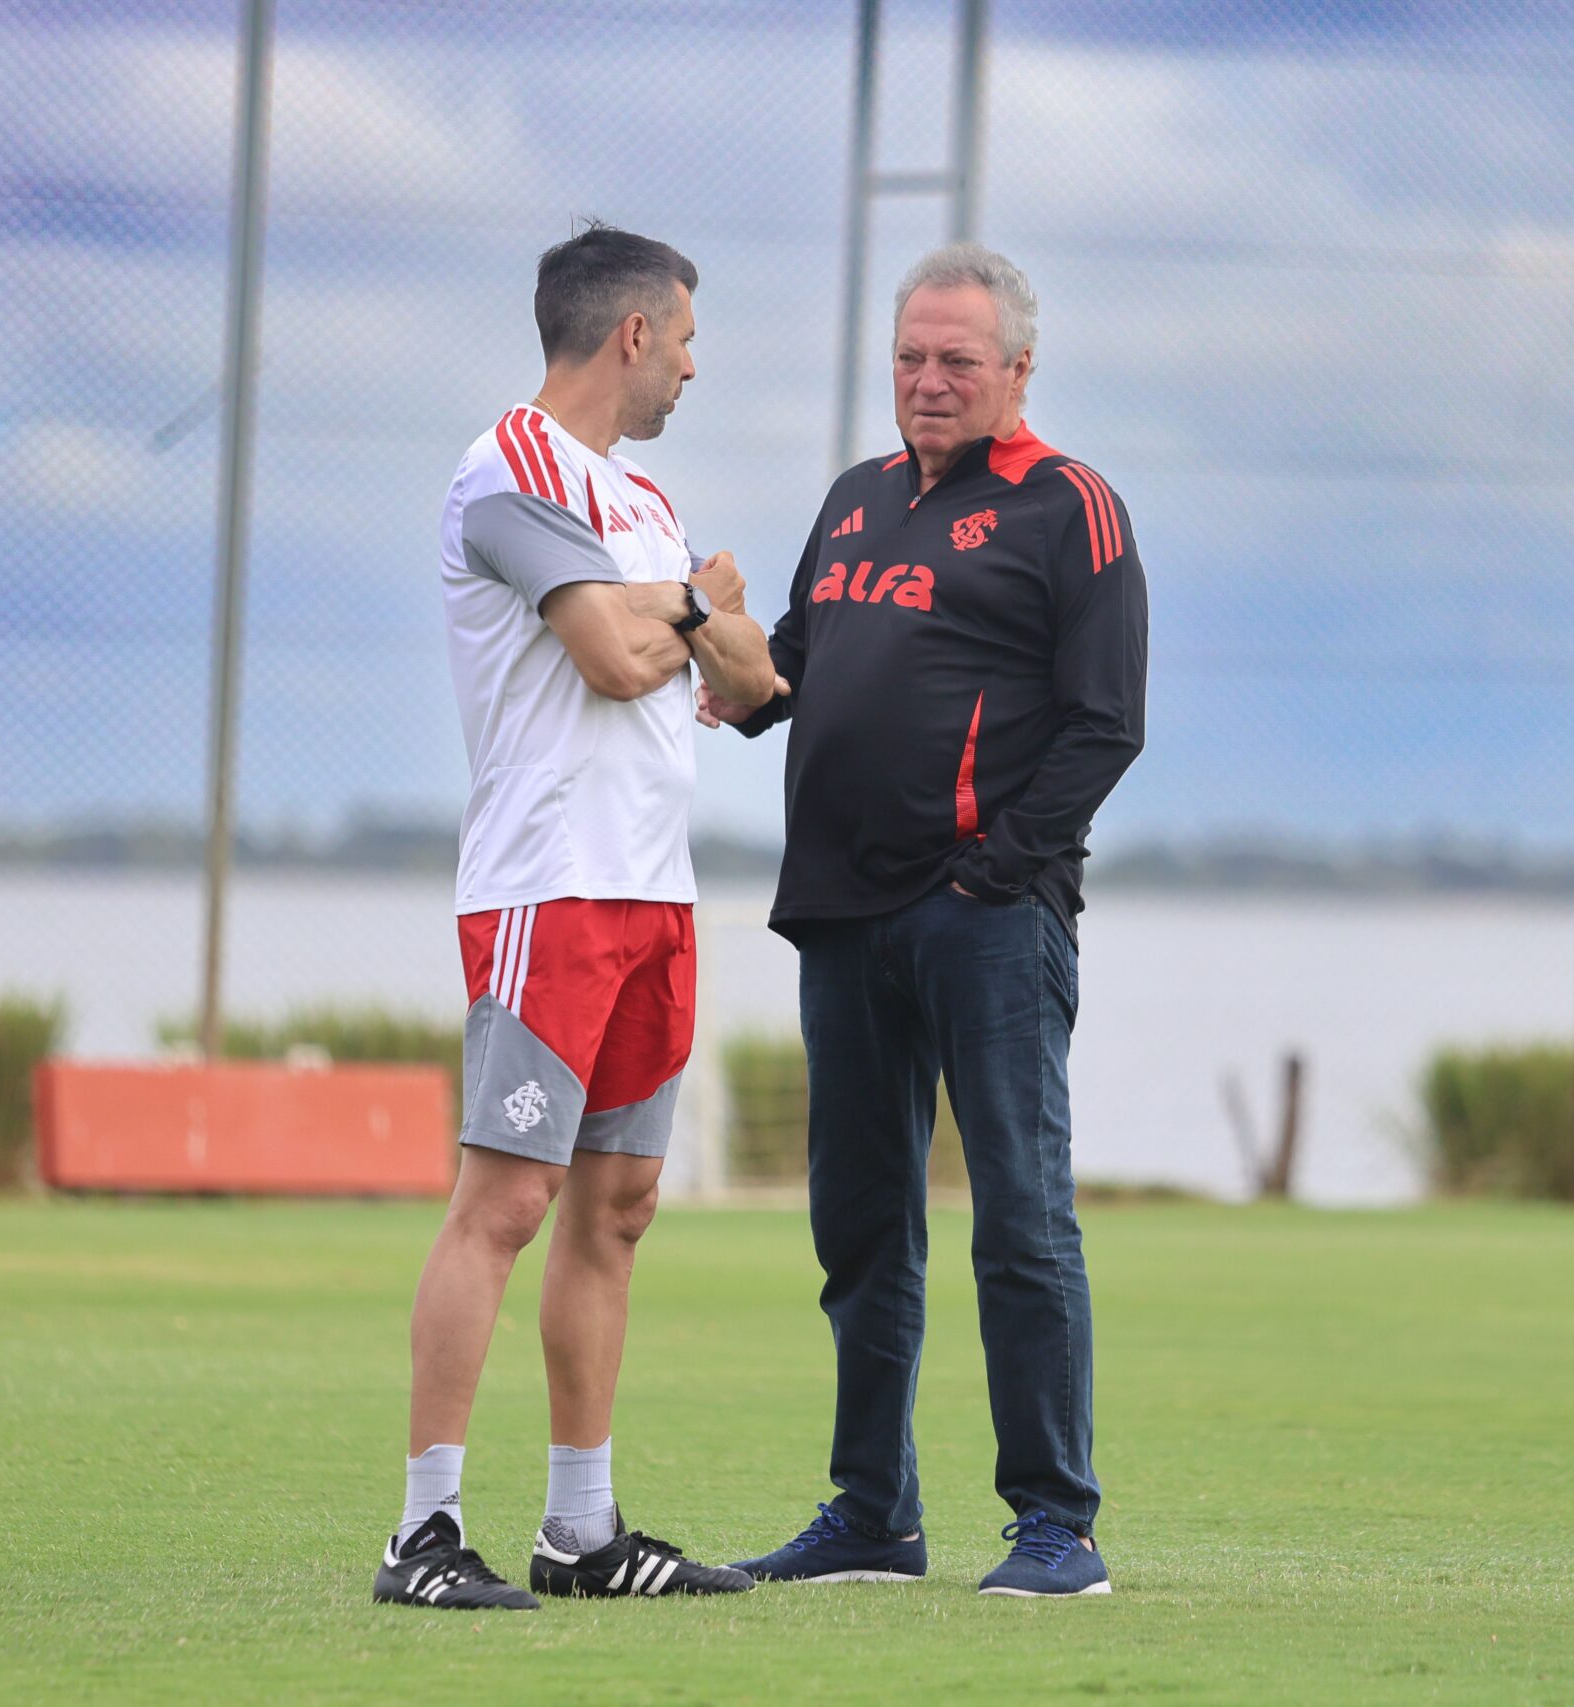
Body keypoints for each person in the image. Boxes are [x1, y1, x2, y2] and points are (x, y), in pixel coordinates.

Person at [709, 243, 1149, 1598]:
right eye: (911, 356)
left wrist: (994, 871)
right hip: (838, 918)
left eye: (959, 359)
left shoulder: (1073, 508)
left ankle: (1056, 1525)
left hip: (985, 923)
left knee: (1019, 1217)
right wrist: (703, 633)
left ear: (1019, 369)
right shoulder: (852, 503)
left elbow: (1104, 727)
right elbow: (781, 678)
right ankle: (872, 1516)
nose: (929, 380)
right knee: (859, 1225)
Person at [376, 224, 777, 1611]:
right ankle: (422, 1532)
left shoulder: (646, 507)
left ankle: (583, 1532)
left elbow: (748, 684)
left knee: (619, 1208)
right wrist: (689, 612)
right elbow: (619, 659)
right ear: (631, 336)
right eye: (683, 341)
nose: (689, 370)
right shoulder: (510, 469)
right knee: (505, 1203)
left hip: (655, 898)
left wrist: (698, 621)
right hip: (551, 888)